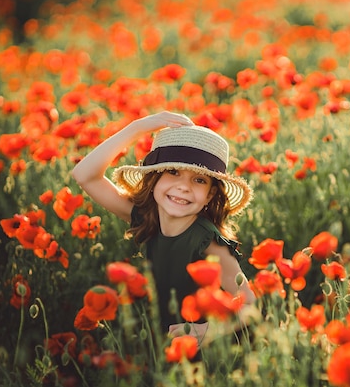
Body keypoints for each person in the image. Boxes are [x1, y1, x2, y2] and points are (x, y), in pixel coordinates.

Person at [71, 111, 256, 347]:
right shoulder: (147, 217)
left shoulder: (208, 243)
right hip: (158, 345)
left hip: (202, 354)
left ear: (210, 194)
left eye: (199, 180)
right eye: (173, 172)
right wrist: (137, 127)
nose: (183, 187)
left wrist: (206, 331)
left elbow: (250, 306)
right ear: (153, 179)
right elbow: (84, 175)